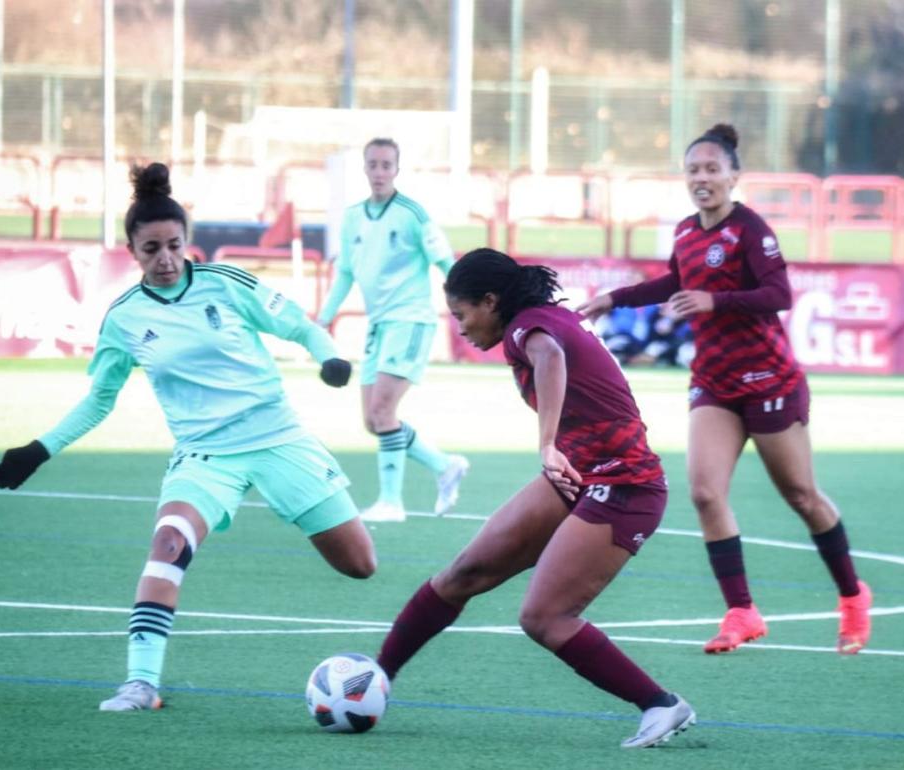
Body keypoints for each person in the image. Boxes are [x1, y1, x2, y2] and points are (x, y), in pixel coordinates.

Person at [0, 163, 377, 711]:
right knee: (167, 544)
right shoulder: (123, 318)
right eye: (151, 249)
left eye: (174, 245)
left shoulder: (225, 284)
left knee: (360, 564)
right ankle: (140, 683)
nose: (165, 259)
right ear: (132, 251)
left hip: (279, 439)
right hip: (204, 456)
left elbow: (301, 325)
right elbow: (100, 398)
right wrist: (39, 449)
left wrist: (330, 356)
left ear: (188, 242)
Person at [374, 248, 695, 750]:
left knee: (544, 617)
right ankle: (377, 677)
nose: (459, 328)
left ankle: (660, 704)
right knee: (463, 574)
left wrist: (546, 444)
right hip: (580, 475)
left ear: (490, 301)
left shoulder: (527, 330)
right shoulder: (539, 319)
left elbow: (550, 356)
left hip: (625, 485)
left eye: (462, 315)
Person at [576, 124, 872, 655]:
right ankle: (741, 611)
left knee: (801, 496)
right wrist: (613, 299)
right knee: (705, 492)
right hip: (714, 381)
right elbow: (674, 280)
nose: (702, 178)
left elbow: (778, 293)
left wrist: (716, 301)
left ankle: (852, 596)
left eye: (713, 169)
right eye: (694, 170)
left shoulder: (750, 229)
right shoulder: (688, 232)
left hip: (768, 380)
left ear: (735, 176)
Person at [315, 137, 469, 523]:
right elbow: (346, 272)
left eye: (387, 165)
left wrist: (467, 307)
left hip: (411, 320)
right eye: (373, 164)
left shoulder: (413, 214)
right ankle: (443, 466)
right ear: (364, 169)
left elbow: (446, 263)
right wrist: (321, 318)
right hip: (379, 324)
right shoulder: (352, 217)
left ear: (397, 170)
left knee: (384, 410)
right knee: (373, 419)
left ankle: (391, 503)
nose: (380, 172)